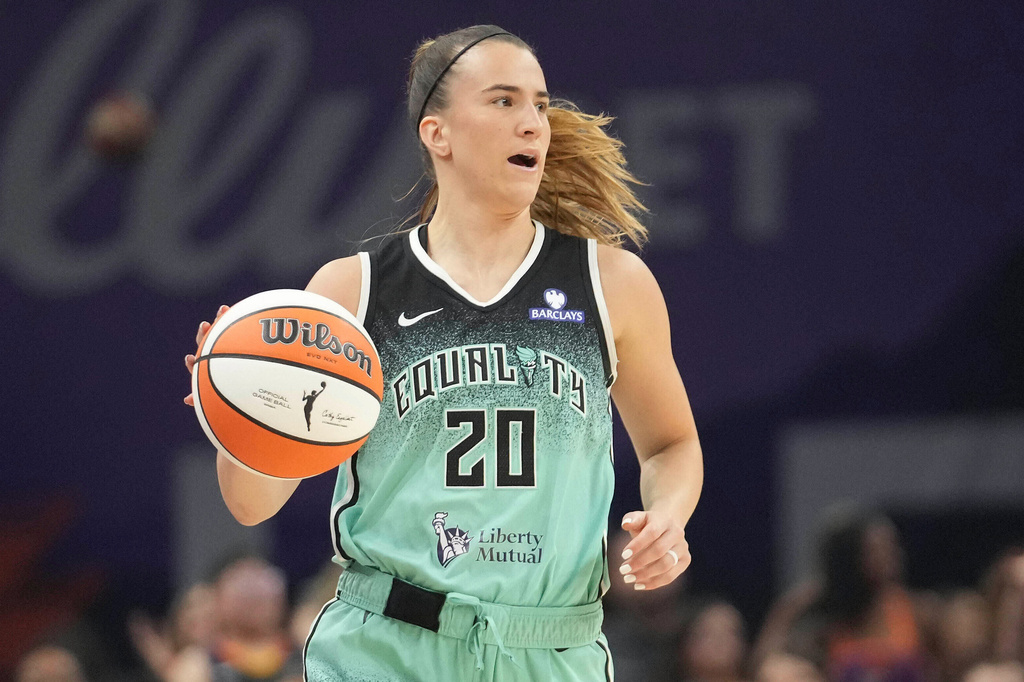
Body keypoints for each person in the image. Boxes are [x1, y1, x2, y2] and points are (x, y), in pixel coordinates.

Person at [185, 24, 703, 681]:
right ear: (439, 133)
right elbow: (252, 503)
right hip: (387, 648)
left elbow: (671, 446)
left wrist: (667, 515)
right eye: (504, 101)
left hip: (551, 648)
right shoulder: (353, 289)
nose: (533, 124)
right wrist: (239, 406)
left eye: (540, 105)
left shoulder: (611, 283)